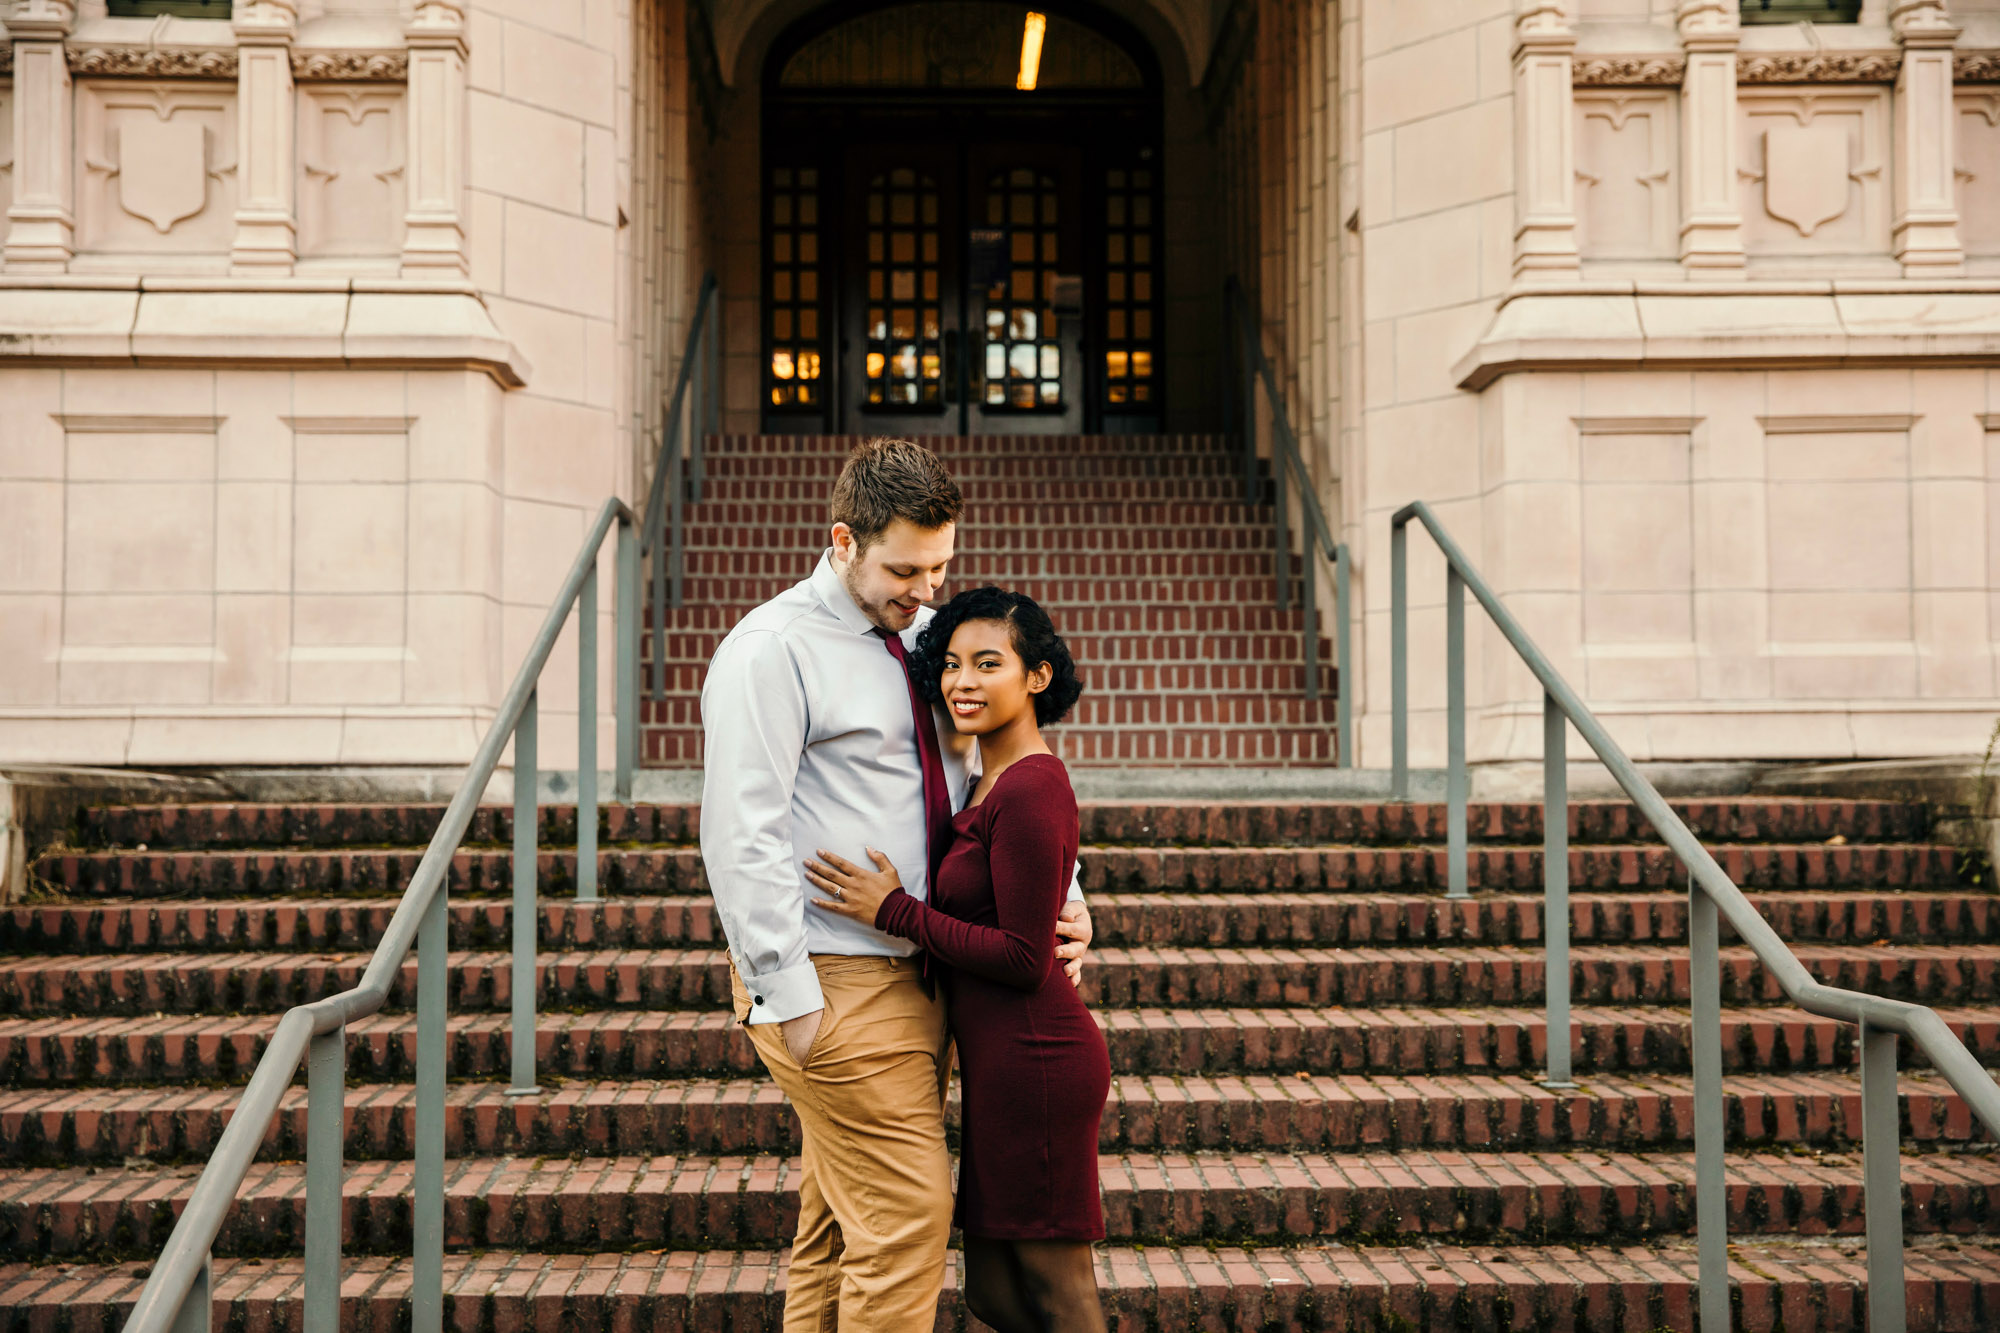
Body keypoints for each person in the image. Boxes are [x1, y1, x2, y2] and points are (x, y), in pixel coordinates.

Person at [698, 437, 1094, 1333]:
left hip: (925, 975)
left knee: (842, 1228)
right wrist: (789, 998)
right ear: (844, 541)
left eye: (940, 566)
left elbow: (989, 780)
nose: (926, 591)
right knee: (912, 1214)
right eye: (905, 569)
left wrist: (1065, 895)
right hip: (832, 978)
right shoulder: (771, 650)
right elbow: (739, 833)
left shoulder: (931, 640)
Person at [808, 586, 1109, 1333]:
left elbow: (1022, 955)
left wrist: (897, 912)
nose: (962, 682)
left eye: (986, 663)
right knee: (996, 1298)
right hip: (1002, 1067)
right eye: (949, 665)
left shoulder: (1033, 785)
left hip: (1039, 1062)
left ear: (1036, 676)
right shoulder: (987, 779)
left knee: (1062, 1296)